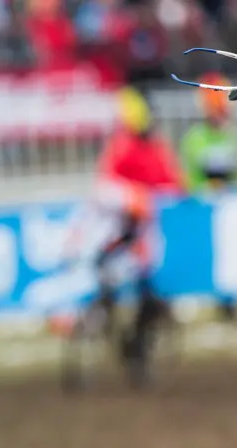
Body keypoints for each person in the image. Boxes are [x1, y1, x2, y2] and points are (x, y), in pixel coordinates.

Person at [94, 86, 184, 368]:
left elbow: (174, 185)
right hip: (122, 227)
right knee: (104, 264)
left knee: (149, 289)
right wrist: (131, 198)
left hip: (147, 232)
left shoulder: (156, 148)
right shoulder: (123, 147)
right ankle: (106, 314)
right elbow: (105, 186)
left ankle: (138, 343)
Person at [179, 72, 237, 321]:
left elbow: (236, 174)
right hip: (201, 208)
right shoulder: (195, 138)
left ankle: (229, 301)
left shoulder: (230, 136)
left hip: (226, 208)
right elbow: (192, 176)